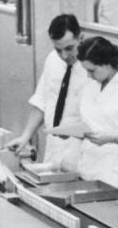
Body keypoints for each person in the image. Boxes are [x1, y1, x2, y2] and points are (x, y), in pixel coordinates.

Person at [61, 35, 118, 189]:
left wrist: (111, 137)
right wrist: (71, 130)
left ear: (107, 64)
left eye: (92, 70)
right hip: (89, 166)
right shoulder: (90, 86)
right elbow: (91, 122)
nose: (89, 75)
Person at [6, 13, 89, 171]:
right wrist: (25, 137)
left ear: (81, 38)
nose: (64, 55)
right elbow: (41, 102)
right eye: (59, 50)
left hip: (80, 150)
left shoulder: (92, 69)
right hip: (53, 146)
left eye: (69, 48)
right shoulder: (52, 60)